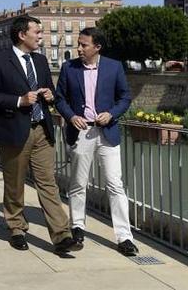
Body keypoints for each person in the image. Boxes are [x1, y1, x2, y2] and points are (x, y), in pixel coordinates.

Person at [0, 15, 82, 254]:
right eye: (37, 31)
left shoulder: (40, 60)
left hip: (42, 129)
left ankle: (61, 235)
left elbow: (53, 94)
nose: (40, 35)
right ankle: (16, 227)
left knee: (48, 183)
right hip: (14, 131)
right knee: (15, 183)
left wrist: (50, 97)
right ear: (21, 35)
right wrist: (19, 100)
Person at [55, 27, 138, 256]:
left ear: (97, 47)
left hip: (107, 132)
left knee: (115, 184)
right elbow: (60, 99)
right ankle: (78, 227)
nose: (79, 48)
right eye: (78, 44)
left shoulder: (114, 66)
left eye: (84, 45)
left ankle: (124, 237)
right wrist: (71, 116)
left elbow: (125, 97)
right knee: (78, 183)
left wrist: (111, 113)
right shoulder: (68, 68)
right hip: (81, 132)